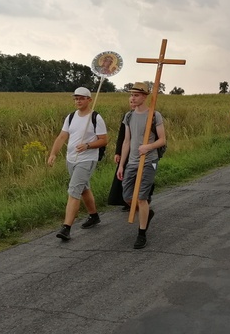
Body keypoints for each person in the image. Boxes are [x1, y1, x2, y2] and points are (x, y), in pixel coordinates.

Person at [48, 87, 108, 241]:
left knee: (74, 190)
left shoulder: (96, 118)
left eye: (81, 98)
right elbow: (62, 136)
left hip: (87, 159)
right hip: (71, 159)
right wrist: (53, 153)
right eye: (76, 98)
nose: (78, 101)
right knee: (83, 189)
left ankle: (66, 228)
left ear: (89, 100)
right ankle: (94, 216)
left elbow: (103, 140)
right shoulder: (70, 117)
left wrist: (88, 145)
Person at [117, 82, 166, 249]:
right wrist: (121, 165)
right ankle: (147, 213)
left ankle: (142, 233)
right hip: (132, 161)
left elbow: (162, 140)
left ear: (145, 97)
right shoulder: (129, 116)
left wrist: (148, 147)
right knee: (127, 196)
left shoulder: (154, 115)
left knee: (142, 197)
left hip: (149, 161)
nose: (132, 97)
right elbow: (126, 142)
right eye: (131, 95)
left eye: (136, 95)